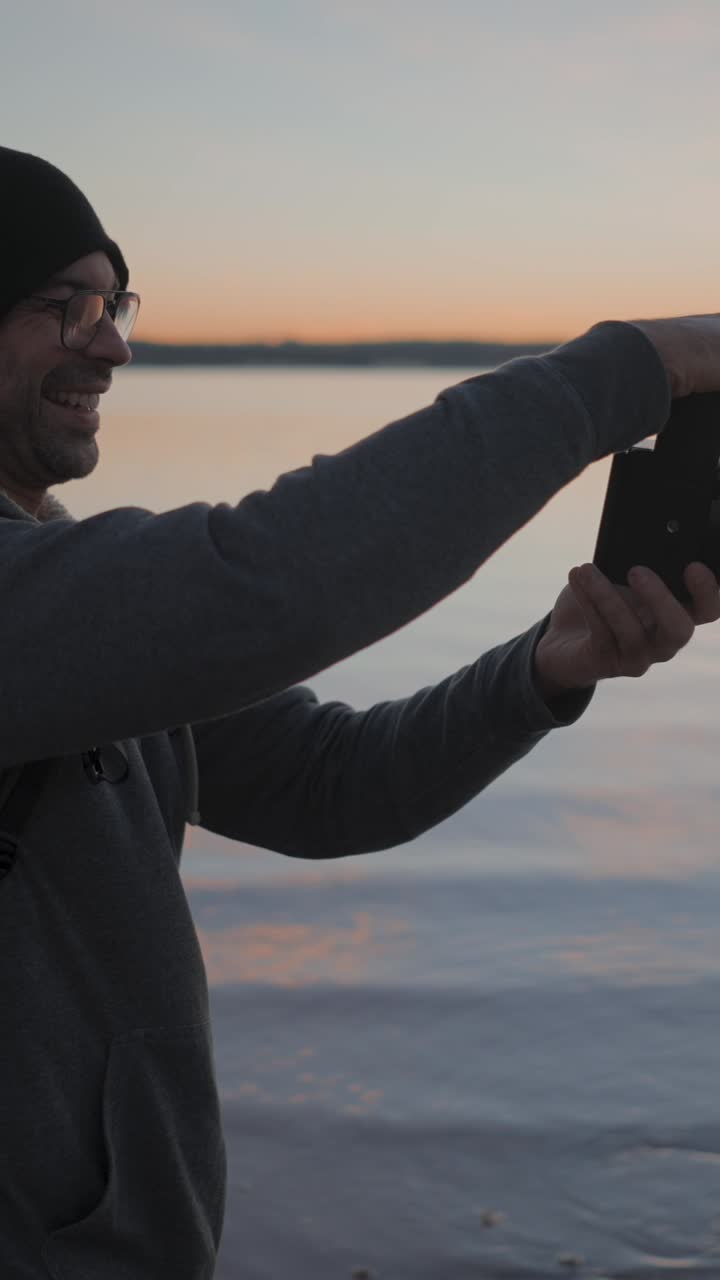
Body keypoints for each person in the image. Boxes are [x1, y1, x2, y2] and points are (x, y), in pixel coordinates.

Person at [0, 143, 719, 1279]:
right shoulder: (41, 609)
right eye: (67, 304)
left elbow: (332, 783)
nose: (112, 341)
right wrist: (628, 369)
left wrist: (541, 669)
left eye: (117, 301)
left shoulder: (68, 596)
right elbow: (275, 576)